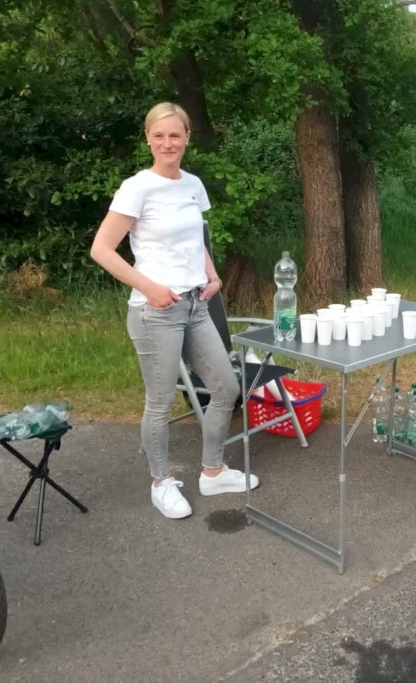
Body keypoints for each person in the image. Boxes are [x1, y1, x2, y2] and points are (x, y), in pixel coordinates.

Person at [90, 102, 256, 519]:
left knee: (226, 389)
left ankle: (213, 472)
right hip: (155, 311)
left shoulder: (193, 185)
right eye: (159, 135)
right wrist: (150, 288)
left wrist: (213, 276)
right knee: (160, 401)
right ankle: (161, 482)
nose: (168, 143)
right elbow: (102, 250)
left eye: (175, 135)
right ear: (148, 139)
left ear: (186, 138)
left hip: (196, 304)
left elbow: (194, 240)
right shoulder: (137, 188)